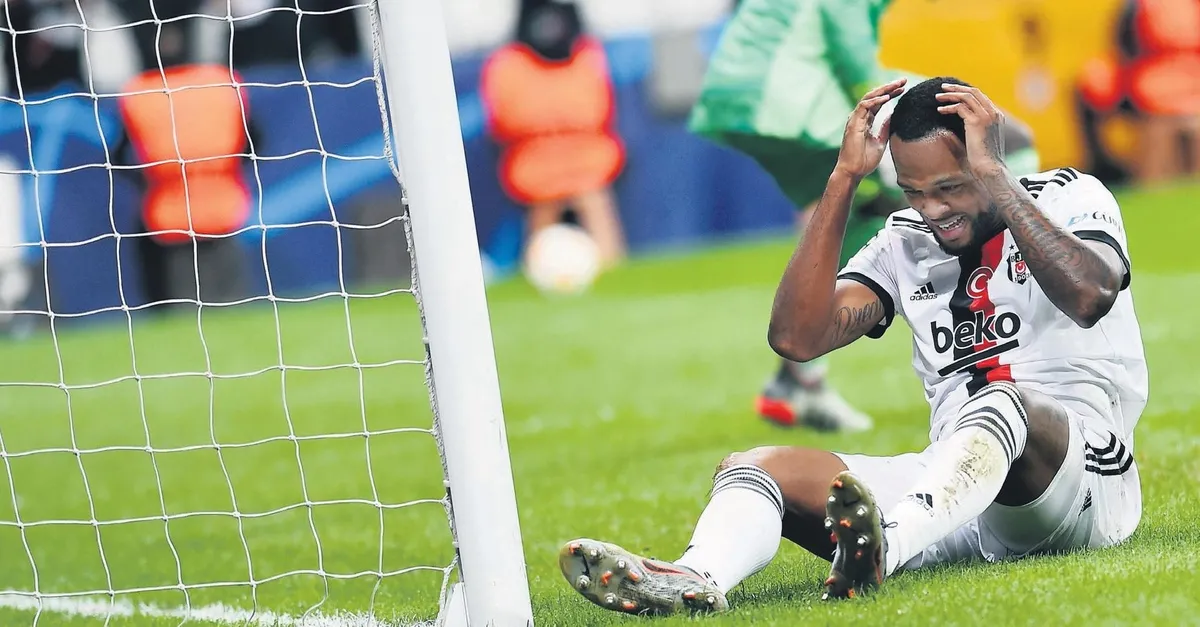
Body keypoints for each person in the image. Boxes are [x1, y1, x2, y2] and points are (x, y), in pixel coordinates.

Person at [557, 76, 1146, 615]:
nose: (934, 211)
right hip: (953, 495)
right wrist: (842, 179)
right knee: (756, 468)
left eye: (950, 187)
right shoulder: (903, 242)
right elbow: (796, 337)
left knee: (1000, 400)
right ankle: (694, 579)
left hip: (1080, 484)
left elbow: (1090, 293)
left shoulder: (1069, 196)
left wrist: (996, 176)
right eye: (914, 192)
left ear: (985, 156)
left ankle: (888, 542)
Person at [689, 0, 1041, 432]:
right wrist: (891, 122)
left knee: (856, 213)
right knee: (1010, 139)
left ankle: (799, 378)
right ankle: (1003, 297)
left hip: (737, 94)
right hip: (786, 89)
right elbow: (852, 48)